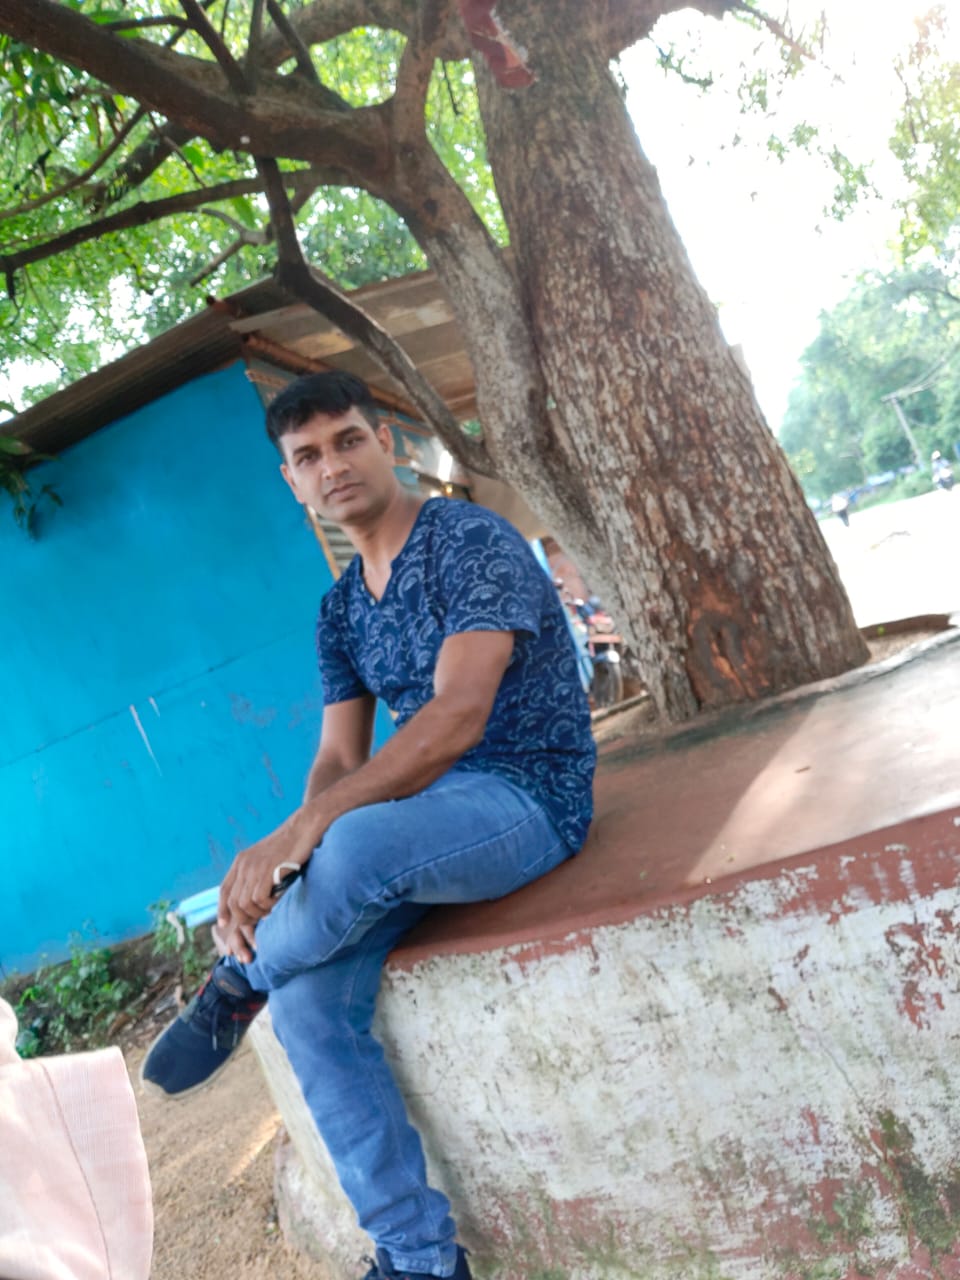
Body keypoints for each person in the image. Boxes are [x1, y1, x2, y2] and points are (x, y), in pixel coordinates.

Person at [141, 371, 596, 1280]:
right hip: (424, 823)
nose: (333, 465)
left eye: (348, 440)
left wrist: (309, 832)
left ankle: (238, 979)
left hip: (526, 796)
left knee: (349, 842)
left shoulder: (468, 539)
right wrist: (288, 847)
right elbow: (338, 760)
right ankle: (420, 1258)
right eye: (308, 456)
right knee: (307, 1003)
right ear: (292, 481)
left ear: (384, 443)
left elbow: (458, 715)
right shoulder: (340, 610)